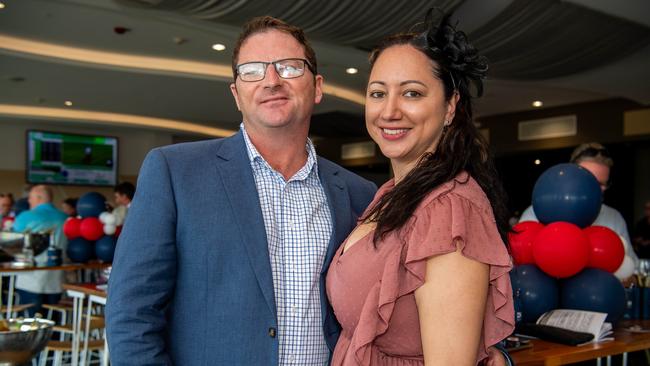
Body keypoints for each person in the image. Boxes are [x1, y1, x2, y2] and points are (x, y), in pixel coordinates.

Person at [105, 16, 376, 365]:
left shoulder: (359, 193)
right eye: (252, 70)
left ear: (318, 86)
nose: (272, 80)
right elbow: (132, 312)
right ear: (237, 93)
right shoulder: (174, 172)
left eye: (290, 67)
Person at [326, 10, 514, 365]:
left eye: (411, 93)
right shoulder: (390, 195)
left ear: (450, 107)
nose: (390, 111)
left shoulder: (449, 210)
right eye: (378, 93)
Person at [519, 142, 639, 268]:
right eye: (590, 181)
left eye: (603, 184)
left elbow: (631, 266)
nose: (598, 189)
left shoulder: (614, 218)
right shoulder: (536, 212)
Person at [12, 185, 68, 316]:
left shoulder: (26, 216)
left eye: (30, 198)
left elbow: (12, 243)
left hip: (30, 279)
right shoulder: (65, 218)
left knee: (28, 326)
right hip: (56, 280)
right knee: (53, 325)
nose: (29, 201)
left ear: (39, 197)